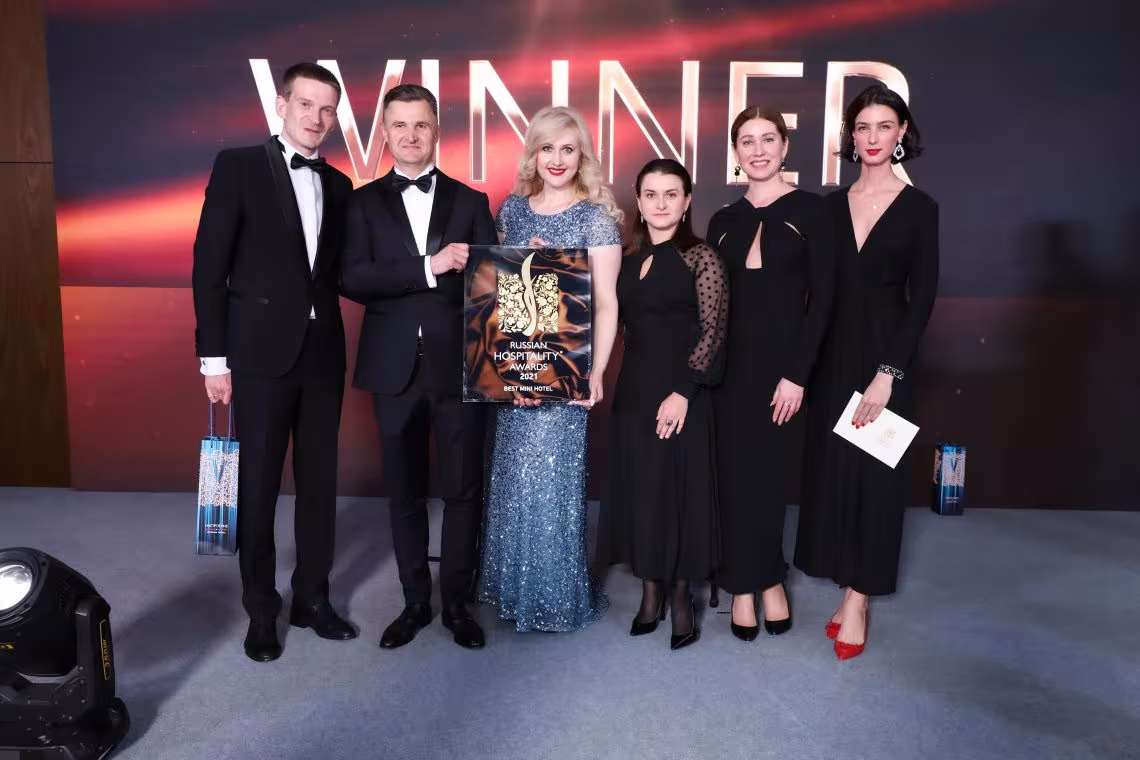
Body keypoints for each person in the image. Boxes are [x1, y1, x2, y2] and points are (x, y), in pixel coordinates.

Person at [192, 62, 356, 662]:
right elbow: (209, 268)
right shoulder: (237, 166)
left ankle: (312, 598)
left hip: (323, 355)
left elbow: (342, 274)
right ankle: (261, 610)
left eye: (327, 108)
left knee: (318, 485)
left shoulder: (339, 185)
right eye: (306, 104)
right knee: (258, 487)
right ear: (282, 106)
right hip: (258, 356)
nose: (316, 117)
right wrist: (213, 360)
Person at [340, 84, 496, 650]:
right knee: (404, 493)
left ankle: (456, 605)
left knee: (463, 491)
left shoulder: (471, 201)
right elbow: (351, 278)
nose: (410, 135)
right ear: (384, 132)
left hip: (463, 368)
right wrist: (430, 266)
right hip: (393, 369)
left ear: (436, 131)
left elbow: (492, 289)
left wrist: (524, 264)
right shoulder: (360, 202)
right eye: (400, 125)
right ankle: (414, 603)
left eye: (421, 124)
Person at [794, 84, 939, 660]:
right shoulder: (830, 206)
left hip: (887, 358)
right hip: (833, 357)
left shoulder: (921, 208)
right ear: (850, 136)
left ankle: (859, 598)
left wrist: (887, 374)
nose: (873, 137)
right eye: (863, 127)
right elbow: (817, 293)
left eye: (884, 126)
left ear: (901, 132)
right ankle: (845, 584)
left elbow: (921, 299)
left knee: (877, 478)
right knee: (836, 476)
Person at [477, 105, 622, 632]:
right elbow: (498, 292)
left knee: (551, 482)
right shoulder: (513, 211)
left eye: (567, 148)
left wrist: (595, 373)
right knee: (513, 476)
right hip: (518, 366)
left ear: (582, 155)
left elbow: (606, 303)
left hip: (566, 372)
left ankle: (554, 597)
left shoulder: (596, 216)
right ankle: (514, 590)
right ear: (533, 154)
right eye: (547, 148)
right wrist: (502, 373)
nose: (557, 159)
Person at [706, 107, 835, 641]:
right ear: (735, 152)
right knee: (733, 477)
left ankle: (770, 578)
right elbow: (710, 306)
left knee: (768, 477)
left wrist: (798, 374)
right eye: (746, 141)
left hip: (784, 370)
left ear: (784, 147)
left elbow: (824, 300)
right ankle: (743, 584)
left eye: (767, 140)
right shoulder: (722, 220)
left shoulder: (814, 210)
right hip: (728, 371)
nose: (757, 150)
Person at [596, 158, 727, 650]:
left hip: (682, 391)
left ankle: (680, 596)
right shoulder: (628, 259)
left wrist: (684, 392)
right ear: (639, 200)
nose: (661, 204)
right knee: (643, 489)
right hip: (635, 389)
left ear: (687, 201)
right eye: (651, 194)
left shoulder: (702, 257)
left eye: (671, 194)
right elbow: (602, 311)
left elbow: (713, 330)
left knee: (678, 492)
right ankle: (650, 590)